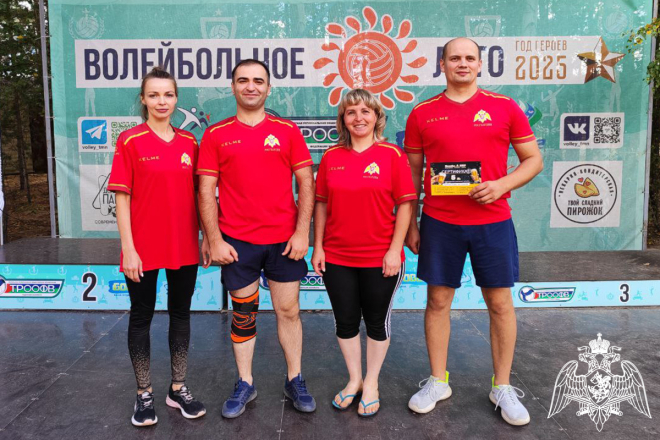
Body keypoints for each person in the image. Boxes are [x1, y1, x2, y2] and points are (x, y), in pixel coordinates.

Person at [404, 38, 543, 425]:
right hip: (439, 222)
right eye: (454, 58)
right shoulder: (422, 113)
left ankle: (502, 386)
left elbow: (533, 160)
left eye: (469, 58)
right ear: (443, 65)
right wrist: (411, 222)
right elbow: (412, 172)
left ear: (481, 64)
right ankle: (438, 381)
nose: (462, 63)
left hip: (492, 221)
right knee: (437, 302)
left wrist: (501, 185)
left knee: (499, 303)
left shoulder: (505, 107)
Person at [197, 59, 316, 418]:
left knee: (288, 311)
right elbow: (206, 190)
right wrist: (214, 238)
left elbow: (306, 183)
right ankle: (245, 382)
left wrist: (302, 232)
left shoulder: (287, 131)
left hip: (284, 241)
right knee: (244, 313)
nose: (251, 86)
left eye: (258, 81)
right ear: (232, 86)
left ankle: (294, 379)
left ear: (269, 88)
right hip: (238, 242)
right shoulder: (216, 134)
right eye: (243, 80)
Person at [108, 66, 207, 427]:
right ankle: (144, 393)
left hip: (184, 243)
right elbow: (121, 198)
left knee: (181, 314)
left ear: (177, 98)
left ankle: (177, 388)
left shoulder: (190, 142)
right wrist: (129, 248)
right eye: (154, 95)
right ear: (143, 99)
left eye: (168, 94)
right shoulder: (130, 140)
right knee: (141, 316)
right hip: (143, 247)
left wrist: (206, 237)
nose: (161, 101)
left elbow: (199, 194)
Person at [312, 89, 416, 417]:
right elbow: (321, 204)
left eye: (365, 111)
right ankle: (354, 379)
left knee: (376, 323)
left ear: (376, 117)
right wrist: (318, 246)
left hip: (380, 257)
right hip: (337, 256)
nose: (359, 118)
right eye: (351, 112)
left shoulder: (392, 155)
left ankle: (371, 383)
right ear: (343, 119)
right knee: (344, 322)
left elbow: (405, 205)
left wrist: (395, 250)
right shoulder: (331, 157)